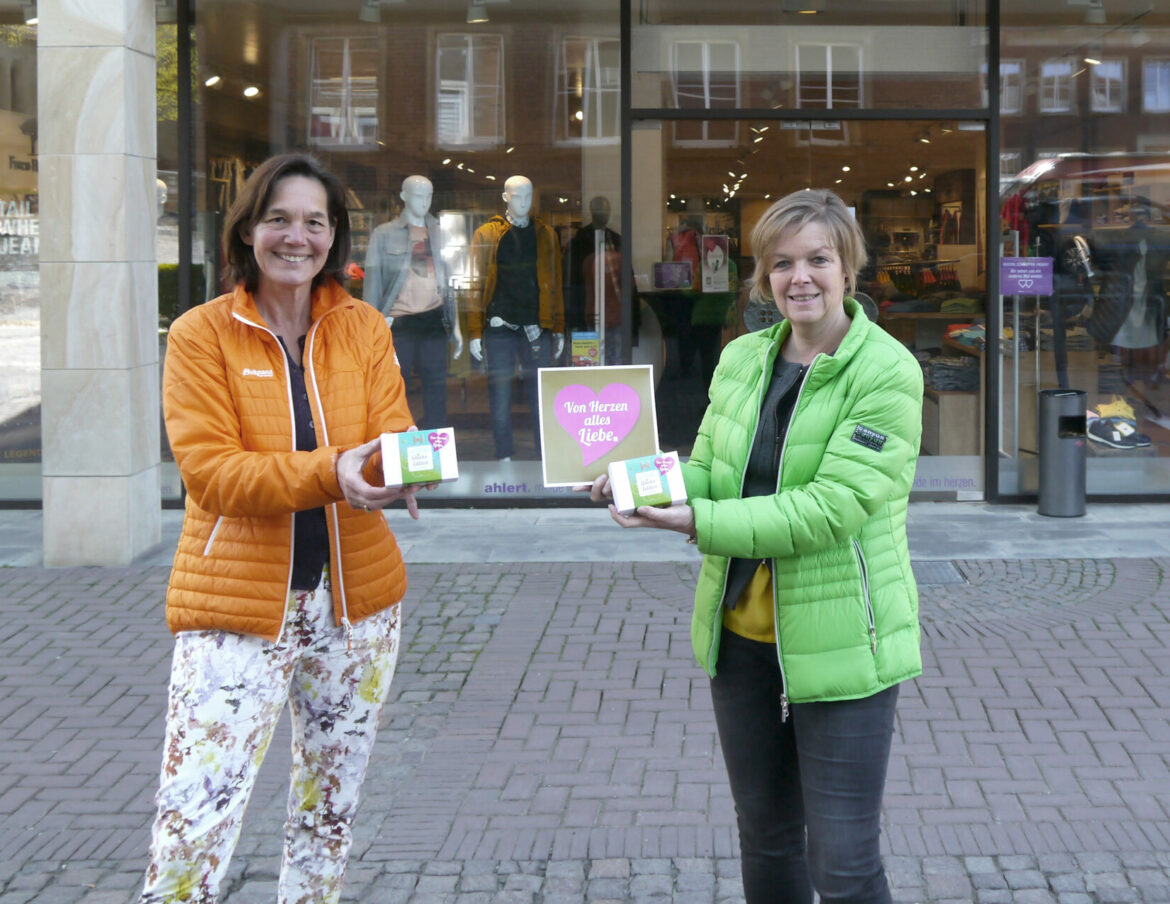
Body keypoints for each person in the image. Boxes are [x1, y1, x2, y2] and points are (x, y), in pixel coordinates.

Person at [585, 189, 924, 902]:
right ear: (764, 275)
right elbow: (711, 470)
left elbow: (828, 511)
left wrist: (693, 523)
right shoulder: (742, 358)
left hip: (842, 637)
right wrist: (639, 479)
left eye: (818, 260)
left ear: (848, 268)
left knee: (843, 862)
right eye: (782, 263)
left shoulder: (886, 372)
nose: (800, 278)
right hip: (741, 635)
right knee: (766, 835)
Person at [138, 152, 426, 904]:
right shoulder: (201, 334)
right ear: (248, 229)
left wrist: (404, 467)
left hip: (357, 607)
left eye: (314, 222)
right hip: (236, 609)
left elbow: (392, 431)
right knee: (194, 823)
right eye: (278, 219)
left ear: (333, 236)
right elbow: (213, 475)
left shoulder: (364, 327)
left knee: (328, 815)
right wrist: (334, 470)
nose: (296, 237)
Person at [468, 174, 565, 460]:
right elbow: (474, 284)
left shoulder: (546, 235)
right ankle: (504, 455)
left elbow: (556, 283)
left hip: (537, 326)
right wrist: (475, 330)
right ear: (505, 197)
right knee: (500, 396)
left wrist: (558, 326)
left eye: (528, 196)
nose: (523, 202)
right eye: (517, 196)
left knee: (540, 395)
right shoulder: (486, 234)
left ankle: (543, 456)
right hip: (499, 326)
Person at [363, 174, 463, 428]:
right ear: (404, 196)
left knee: (436, 389)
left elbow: (449, 284)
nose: (424, 202)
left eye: (429, 196)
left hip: (434, 318)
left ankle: (435, 444)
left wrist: (457, 326)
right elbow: (373, 283)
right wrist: (372, 326)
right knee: (395, 388)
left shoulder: (439, 233)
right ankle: (398, 444)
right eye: (419, 195)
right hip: (399, 322)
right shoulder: (383, 234)